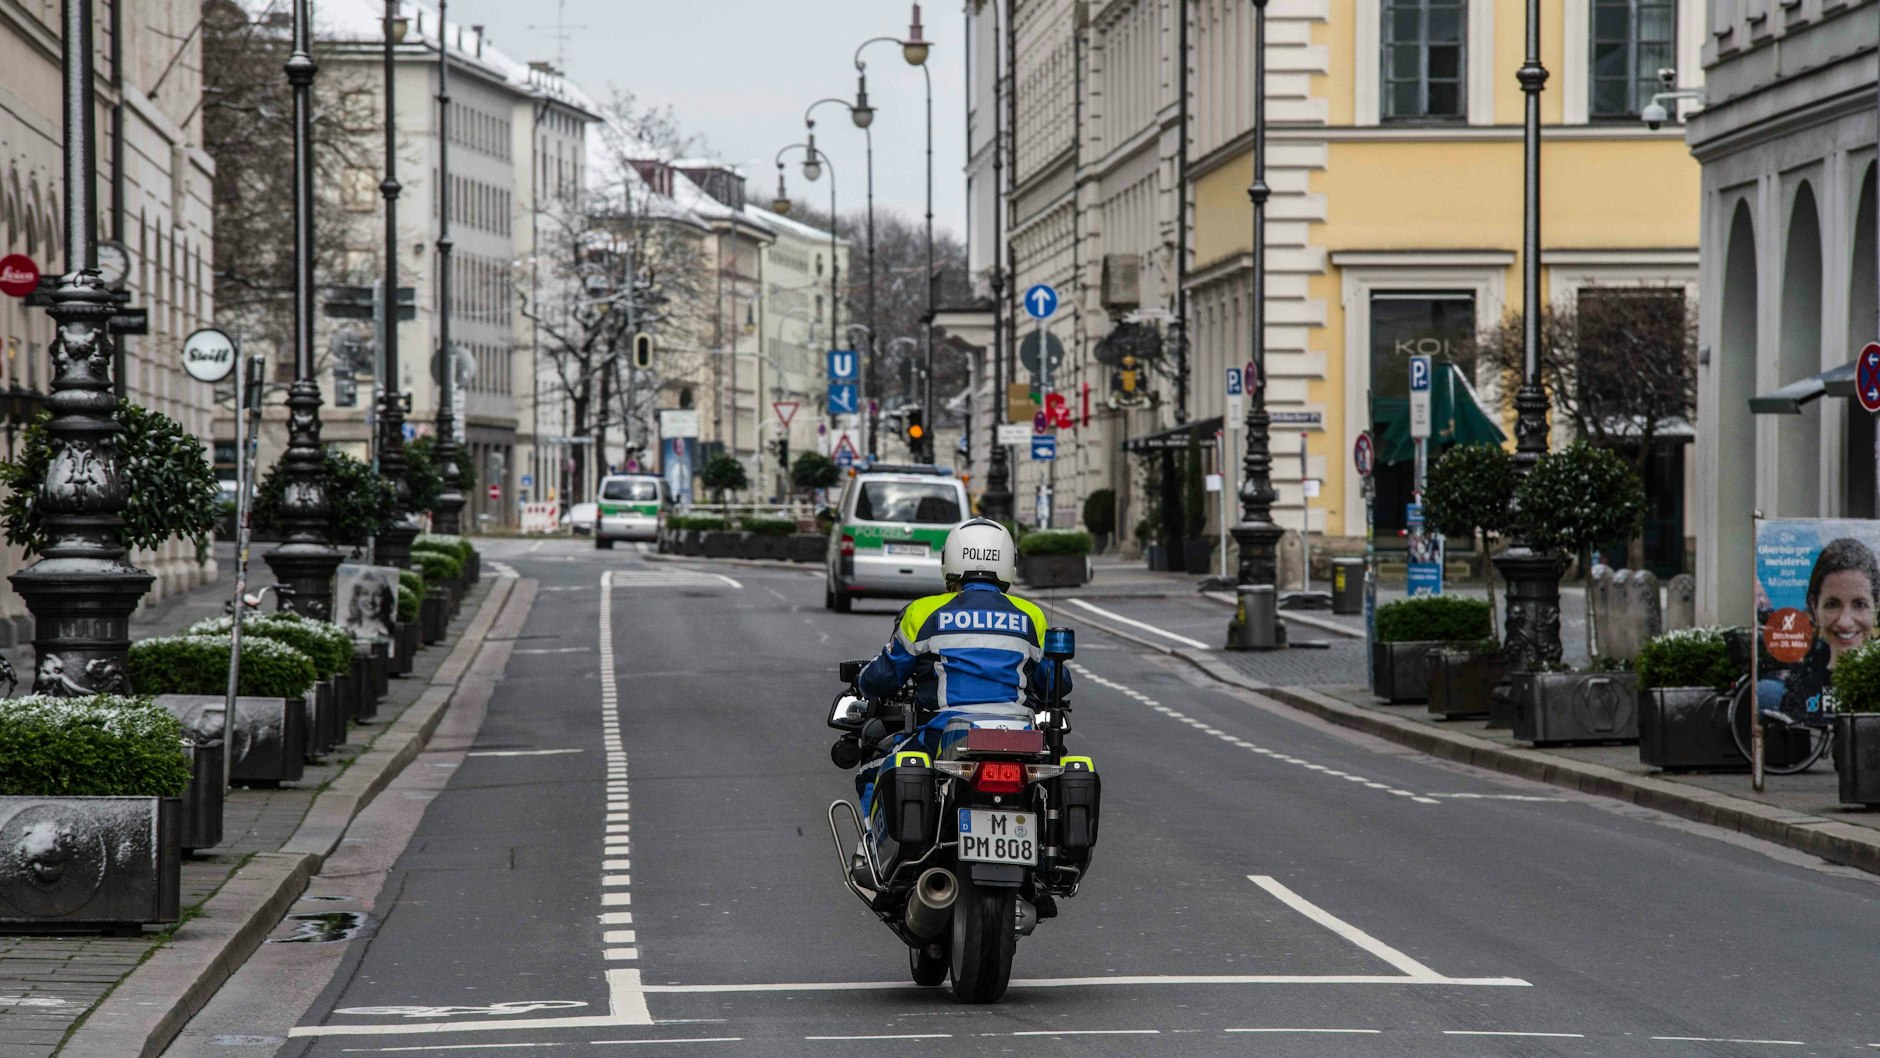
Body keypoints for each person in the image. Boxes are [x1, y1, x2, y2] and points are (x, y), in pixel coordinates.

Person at [856, 518, 1069, 715]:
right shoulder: (1031, 614)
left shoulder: (922, 611)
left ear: (949, 558)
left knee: (887, 743)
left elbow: (882, 678)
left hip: (942, 730)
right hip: (1019, 734)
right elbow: (1055, 684)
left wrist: (862, 680)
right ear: (1008, 561)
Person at [1761, 536, 1879, 720]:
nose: (1845, 622)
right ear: (1814, 606)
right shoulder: (1800, 693)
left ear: (1876, 606)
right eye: (1832, 604)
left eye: (1859, 604)